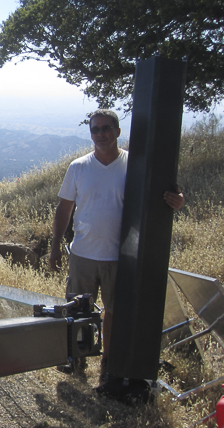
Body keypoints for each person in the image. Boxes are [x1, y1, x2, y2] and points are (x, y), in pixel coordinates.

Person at [49, 109, 185, 380]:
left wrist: (178, 199)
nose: (101, 134)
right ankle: (75, 360)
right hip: (83, 254)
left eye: (106, 128)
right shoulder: (78, 167)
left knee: (114, 313)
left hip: (119, 256)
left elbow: (166, 191)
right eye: (95, 129)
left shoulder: (135, 165)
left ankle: (109, 365)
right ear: (90, 134)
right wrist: (55, 247)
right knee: (77, 310)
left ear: (118, 131)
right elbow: (64, 209)